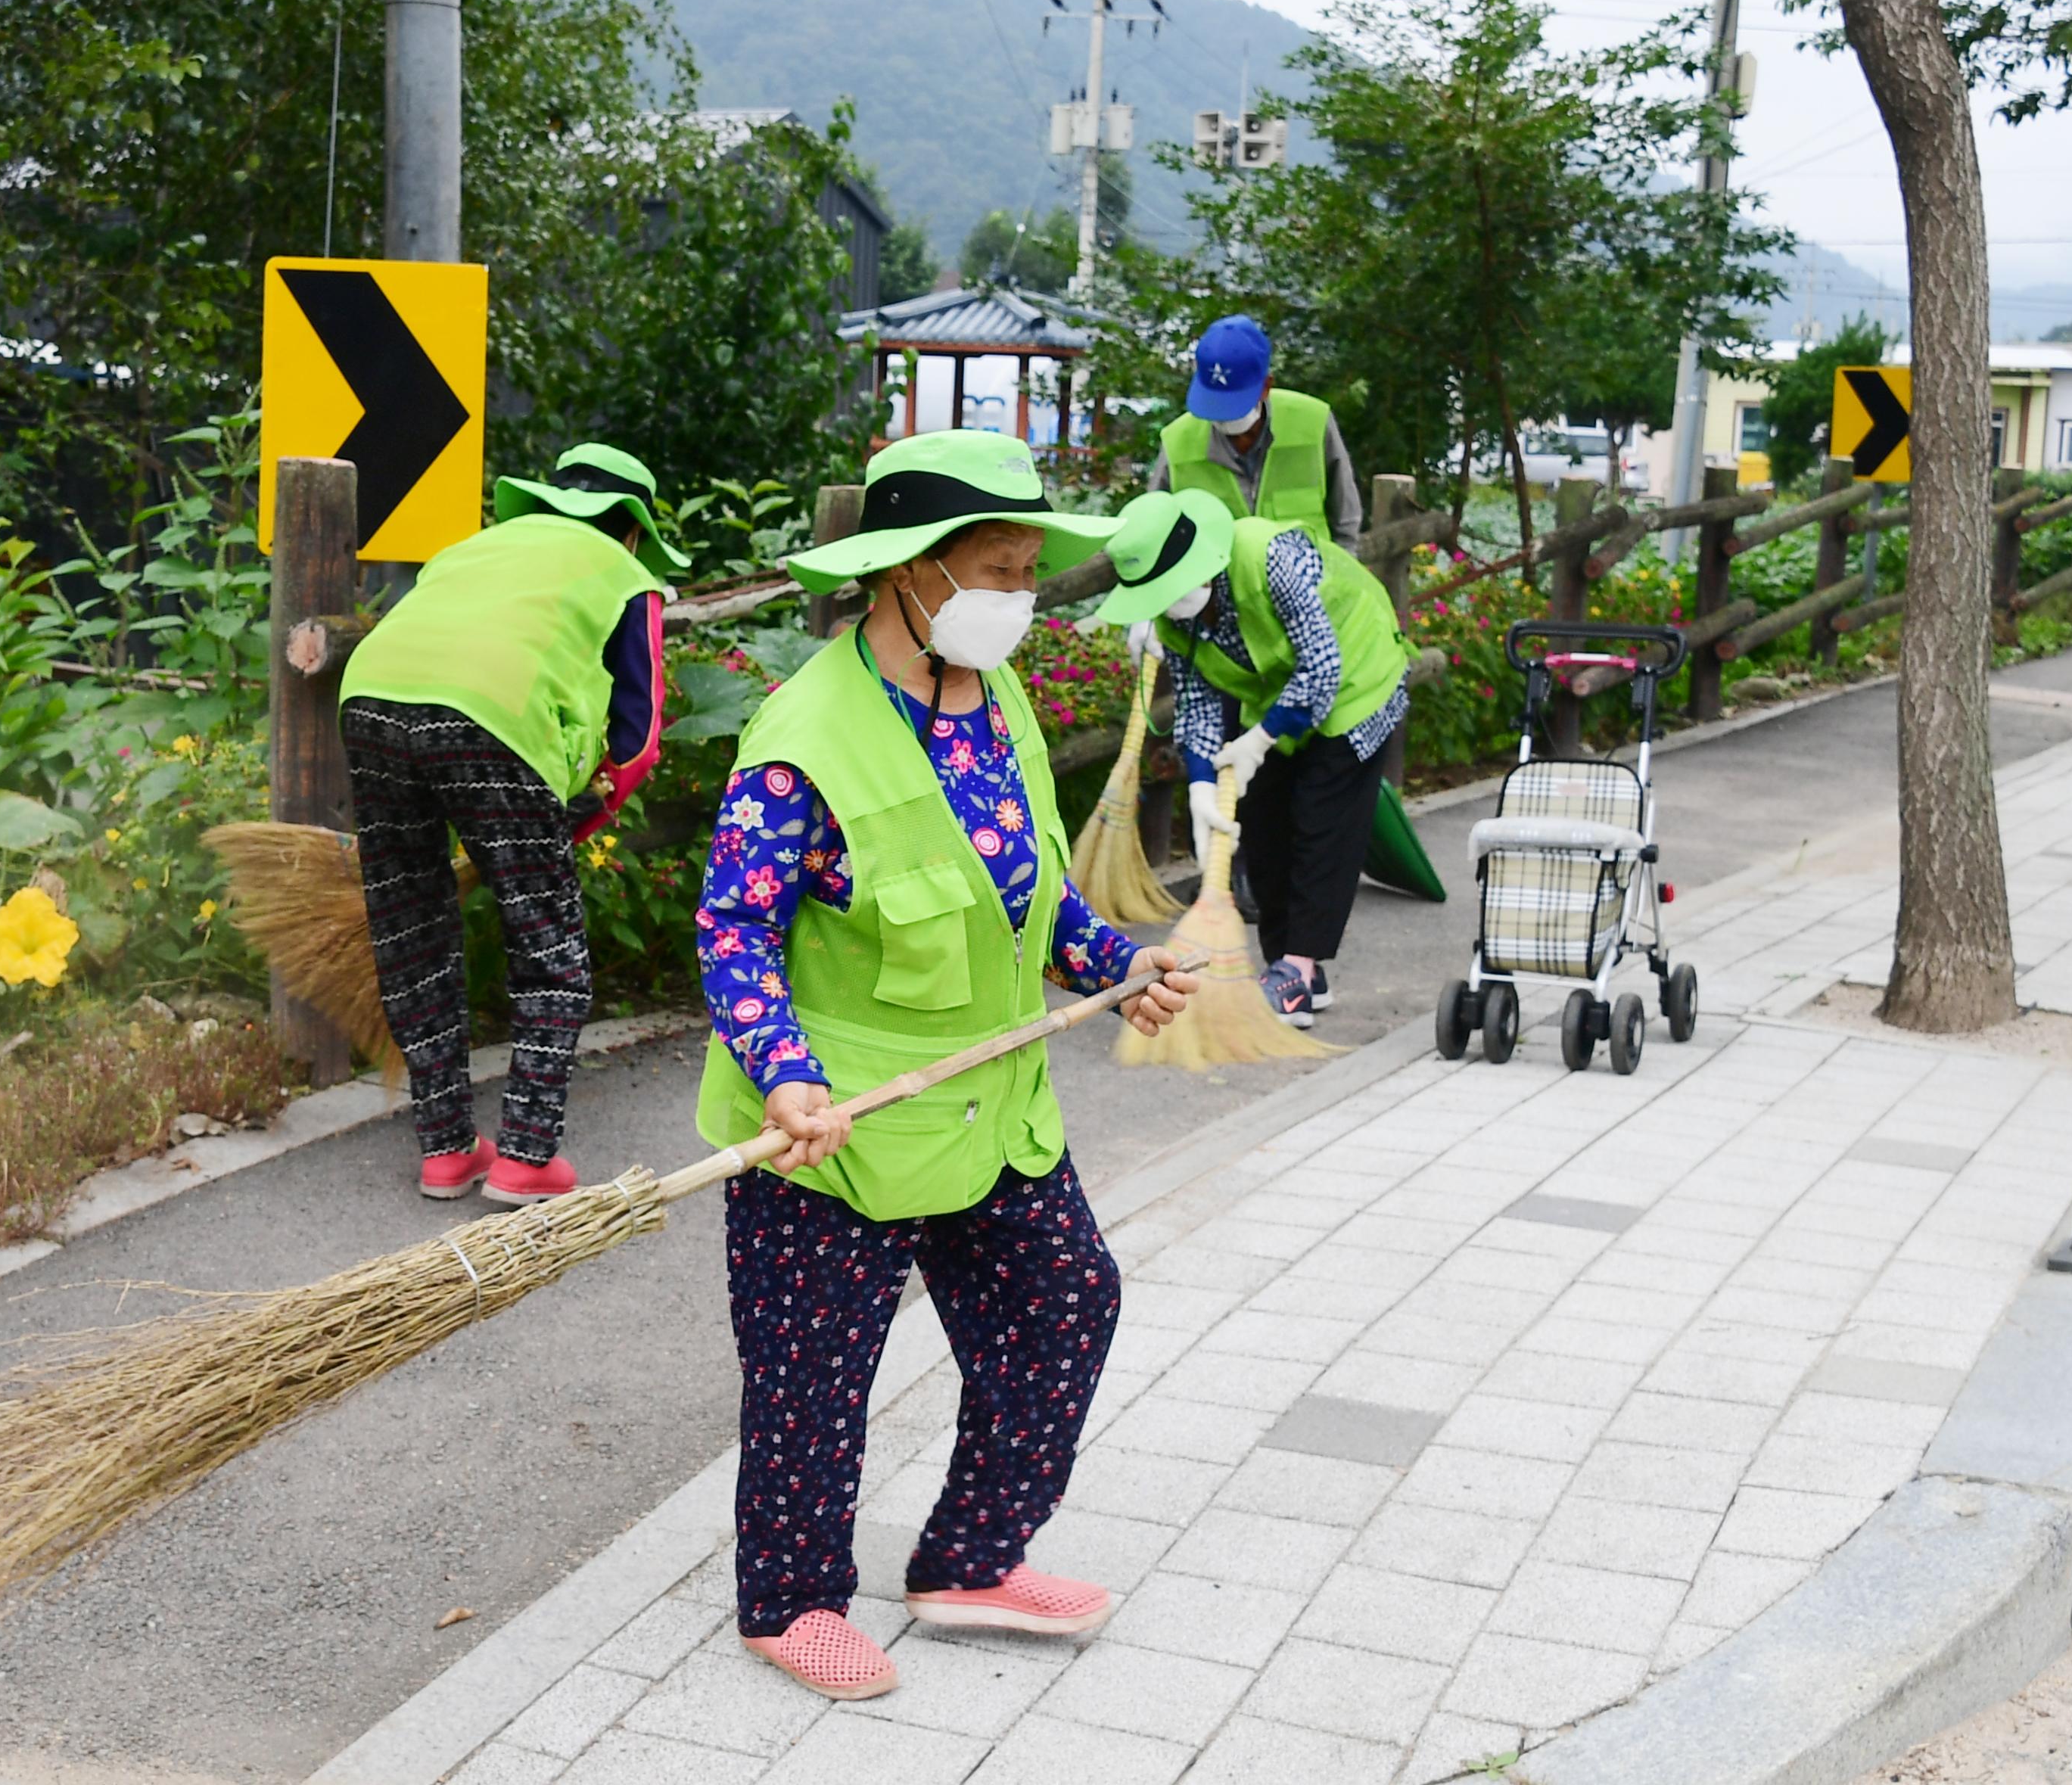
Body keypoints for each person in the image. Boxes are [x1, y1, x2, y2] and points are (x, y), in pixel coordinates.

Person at [692, 429, 1199, 1703]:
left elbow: (1016, 895)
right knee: (814, 1379)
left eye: (1030, 572)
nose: (1018, 598)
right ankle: (790, 1599)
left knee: (1064, 1301)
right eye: (996, 569)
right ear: (908, 573)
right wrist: (781, 1070)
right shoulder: (801, 734)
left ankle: (969, 1559)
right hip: (842, 1120)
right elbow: (734, 925)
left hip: (990, 1102)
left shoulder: (994, 693)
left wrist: (1113, 964)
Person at [338, 443, 676, 1205]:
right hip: (495, 722)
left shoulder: (475, 548)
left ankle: (448, 1150)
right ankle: (525, 1157)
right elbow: (639, 740)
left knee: (412, 932)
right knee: (549, 948)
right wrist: (578, 822)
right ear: (632, 530)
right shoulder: (627, 575)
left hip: (369, 700)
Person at [1105, 488, 1408, 1029]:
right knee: (1265, 818)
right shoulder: (1173, 619)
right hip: (1278, 695)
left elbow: (1321, 668)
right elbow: (1197, 702)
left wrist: (1257, 741)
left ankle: (1300, 963)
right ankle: (1291, 972)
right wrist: (1201, 784)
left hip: (1358, 676)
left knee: (1322, 816)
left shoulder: (1268, 556)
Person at [1149, 313, 1362, 551]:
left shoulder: (1313, 422)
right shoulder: (1177, 442)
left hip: (1312, 583)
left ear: (1266, 387)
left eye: (1234, 407)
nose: (1226, 420)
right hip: (1218, 587)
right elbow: (1154, 528)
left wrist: (1340, 573)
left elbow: (1346, 520)